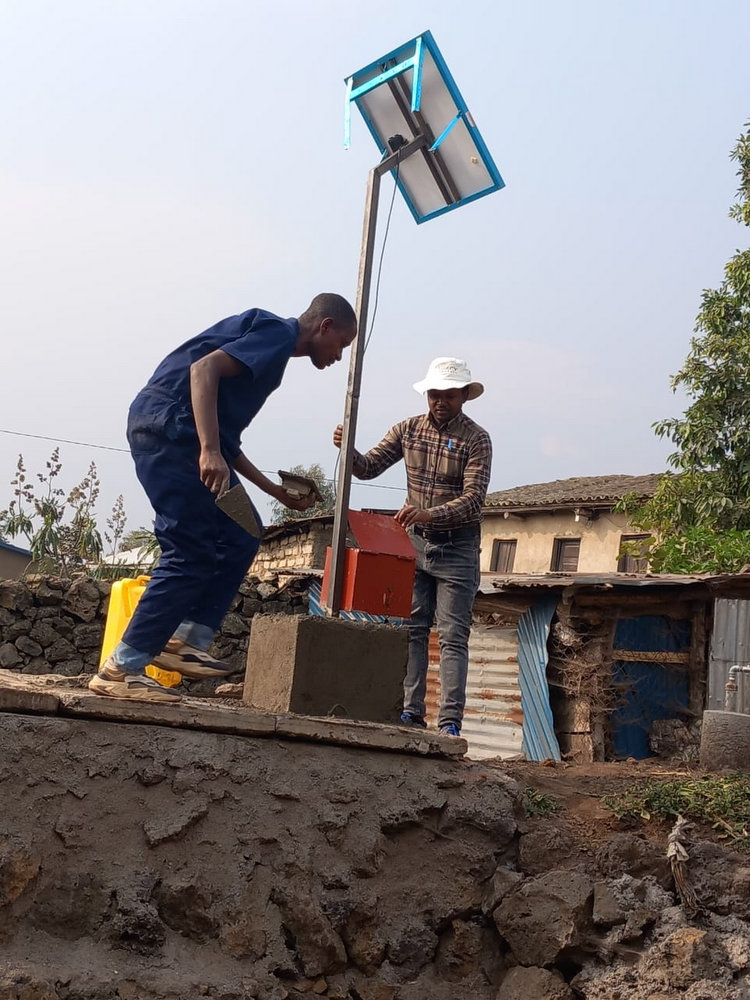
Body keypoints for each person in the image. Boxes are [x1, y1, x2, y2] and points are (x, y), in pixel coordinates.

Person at [90, 293, 357, 703]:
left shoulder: (273, 350)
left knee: (244, 530)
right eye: (342, 344)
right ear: (324, 327)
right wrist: (208, 450)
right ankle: (121, 669)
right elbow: (203, 370)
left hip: (185, 435)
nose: (339, 356)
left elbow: (227, 441)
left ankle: (182, 641)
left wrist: (274, 491)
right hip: (174, 434)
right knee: (189, 553)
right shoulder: (276, 333)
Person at [333, 357, 492, 737]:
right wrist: (349, 449)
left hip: (457, 547)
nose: (441, 401)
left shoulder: (476, 439)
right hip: (416, 546)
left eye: (449, 395)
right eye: (435, 394)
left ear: (464, 396)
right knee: (413, 629)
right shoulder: (409, 430)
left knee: (453, 636)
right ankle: (410, 712)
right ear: (428, 394)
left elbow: (473, 499)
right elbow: (368, 467)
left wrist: (428, 514)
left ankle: (450, 721)